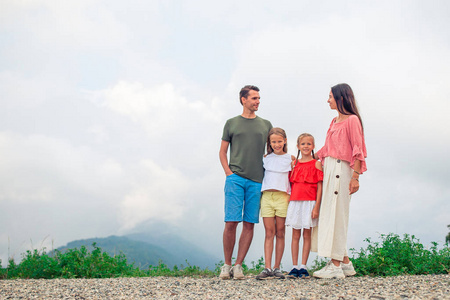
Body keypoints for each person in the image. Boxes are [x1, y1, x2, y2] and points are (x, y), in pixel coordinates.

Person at [312, 83, 367, 279]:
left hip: (341, 170)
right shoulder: (334, 121)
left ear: (340, 98)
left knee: (336, 214)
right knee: (332, 213)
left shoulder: (352, 120)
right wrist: (310, 158)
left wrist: (355, 177)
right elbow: (327, 147)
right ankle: (345, 263)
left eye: (330, 97)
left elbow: (358, 150)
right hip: (329, 169)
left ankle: (334, 266)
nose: (327, 100)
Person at [219, 85, 273, 280]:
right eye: (254, 98)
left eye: (259, 98)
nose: (257, 101)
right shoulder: (231, 123)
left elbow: (273, 150)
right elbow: (222, 151)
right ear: (243, 99)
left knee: (249, 223)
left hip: (257, 180)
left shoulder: (266, 124)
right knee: (231, 222)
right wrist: (228, 173)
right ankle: (226, 265)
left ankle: (238, 265)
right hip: (235, 178)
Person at [255, 127, 294, 280]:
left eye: (279, 141)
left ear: (284, 141)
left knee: (280, 232)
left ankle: (277, 267)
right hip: (267, 197)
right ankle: (267, 267)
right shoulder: (266, 158)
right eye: (273, 142)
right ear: (269, 143)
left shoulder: (290, 159)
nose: (277, 144)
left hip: (282, 197)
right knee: (269, 232)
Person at [285, 133, 323, 279]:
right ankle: (294, 266)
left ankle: (303, 266)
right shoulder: (295, 164)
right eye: (303, 144)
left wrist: (316, 207)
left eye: (309, 144)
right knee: (295, 234)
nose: (306, 146)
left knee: (307, 235)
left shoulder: (316, 164)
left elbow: (320, 187)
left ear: (313, 146)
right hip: (295, 202)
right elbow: (290, 184)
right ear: (298, 146)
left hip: (310, 203)